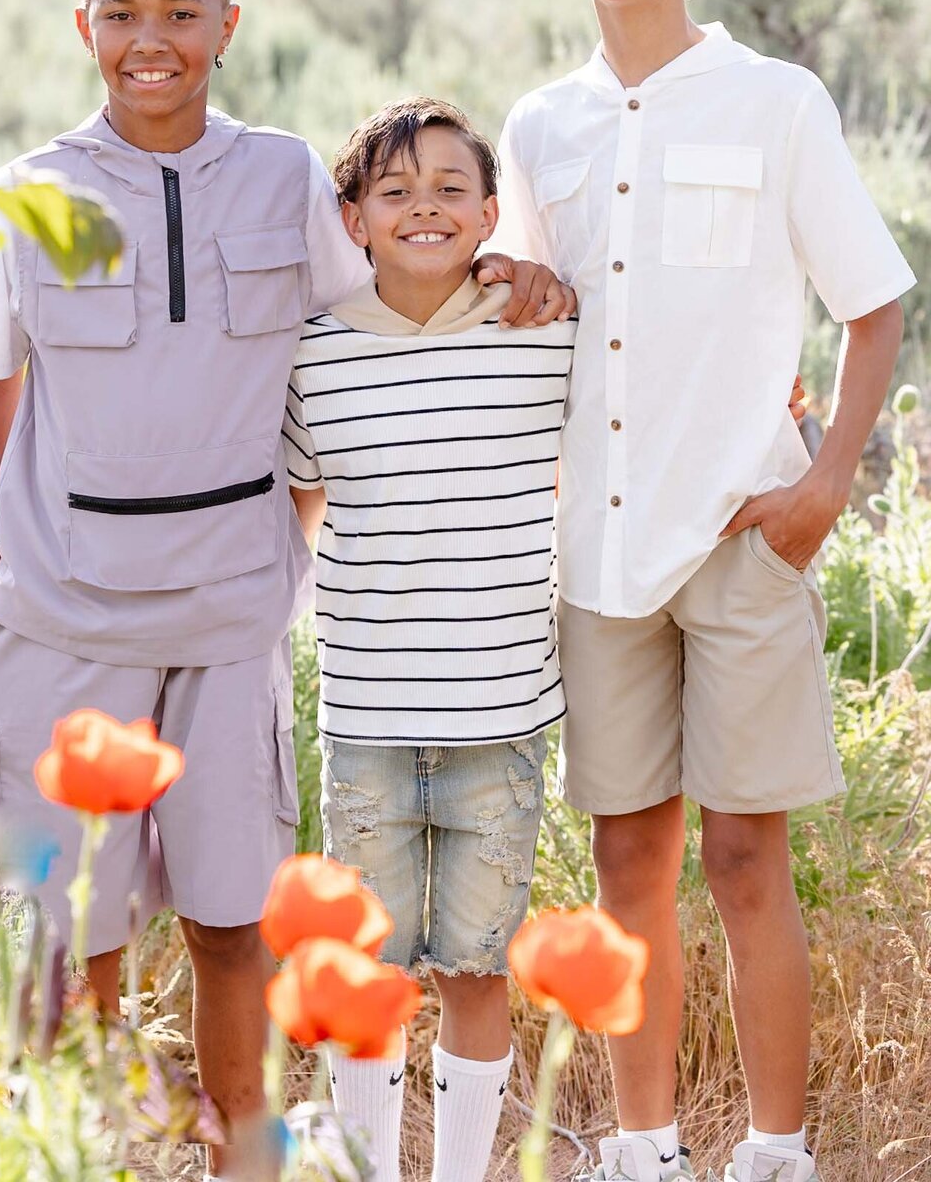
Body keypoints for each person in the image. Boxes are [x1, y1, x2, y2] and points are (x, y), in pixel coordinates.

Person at [0, 0, 571, 1176]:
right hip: (67, 619)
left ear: (228, 28)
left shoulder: (285, 175)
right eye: (122, 12)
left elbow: (383, 319)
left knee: (235, 924)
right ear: (84, 28)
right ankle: (89, 1148)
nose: (151, 39)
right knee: (72, 933)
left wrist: (514, 275)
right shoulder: (22, 196)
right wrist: (9, 565)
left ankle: (247, 1152)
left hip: (231, 623)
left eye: (182, 12)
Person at [497, 0, 915, 1182]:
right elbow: (520, 306)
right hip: (598, 543)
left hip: (744, 528)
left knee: (745, 856)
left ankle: (780, 1153)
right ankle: (643, 1146)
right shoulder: (542, 123)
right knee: (628, 864)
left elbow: (873, 304)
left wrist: (826, 486)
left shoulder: (776, 100)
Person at [283, 97, 577, 1182]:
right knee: (363, 969)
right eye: (394, 191)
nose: (424, 208)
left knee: (477, 967)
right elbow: (299, 510)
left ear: (492, 214)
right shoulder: (314, 357)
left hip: (501, 718)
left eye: (452, 189)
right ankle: (366, 1168)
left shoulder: (540, 334)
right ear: (351, 219)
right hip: (364, 715)